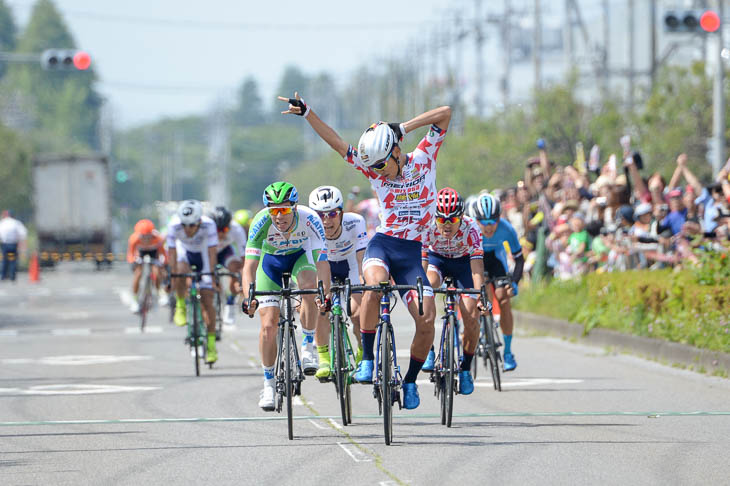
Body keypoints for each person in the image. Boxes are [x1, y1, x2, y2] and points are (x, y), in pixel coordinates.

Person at [279, 91, 451, 410]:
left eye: (382, 165)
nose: (379, 172)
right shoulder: (373, 169)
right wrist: (308, 114)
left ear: (396, 152)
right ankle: (369, 358)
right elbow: (337, 143)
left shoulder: (424, 157)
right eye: (373, 167)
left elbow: (445, 113)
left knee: (427, 320)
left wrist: (404, 126)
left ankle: (411, 380)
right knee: (373, 285)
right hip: (383, 245)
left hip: (412, 255)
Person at [241, 182, 331, 411]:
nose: (278, 216)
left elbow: (321, 261)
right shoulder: (261, 221)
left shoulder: (310, 218)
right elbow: (249, 267)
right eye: (274, 210)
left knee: (309, 287)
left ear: (294, 207)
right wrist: (248, 297)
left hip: (300, 258)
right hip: (269, 265)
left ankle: (308, 347)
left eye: (284, 210)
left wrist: (324, 292)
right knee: (268, 327)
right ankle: (268, 384)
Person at [420, 188, 485, 395]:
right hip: (437, 260)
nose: (447, 226)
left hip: (464, 264)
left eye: (453, 221)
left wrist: (480, 294)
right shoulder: (427, 225)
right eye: (442, 221)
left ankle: (465, 369)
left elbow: (476, 268)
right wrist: (421, 292)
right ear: (435, 218)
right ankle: (428, 350)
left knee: (471, 316)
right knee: (427, 287)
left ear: (461, 218)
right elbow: (421, 266)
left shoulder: (472, 228)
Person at [308, 185, 368, 380]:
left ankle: (362, 351)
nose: (326, 220)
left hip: (350, 264)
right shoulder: (309, 228)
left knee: (358, 313)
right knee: (321, 308)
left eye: (332, 213)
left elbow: (361, 259)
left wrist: (363, 281)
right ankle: (324, 359)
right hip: (324, 265)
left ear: (341, 212)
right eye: (320, 214)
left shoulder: (355, 221)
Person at [468, 194, 524, 372]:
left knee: (504, 298)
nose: (489, 226)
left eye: (494, 220)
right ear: (476, 220)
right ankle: (483, 328)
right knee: (482, 295)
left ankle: (508, 352)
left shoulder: (507, 229)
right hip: (477, 260)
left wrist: (514, 282)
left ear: (500, 217)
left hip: (496, 260)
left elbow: (519, 259)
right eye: (484, 222)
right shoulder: (469, 229)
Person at [167, 200, 220, 364]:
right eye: (185, 225)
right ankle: (181, 305)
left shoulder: (209, 225)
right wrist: (173, 276)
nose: (188, 229)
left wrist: (211, 276)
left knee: (207, 300)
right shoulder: (174, 225)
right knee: (180, 272)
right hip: (185, 253)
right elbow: (172, 254)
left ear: (199, 221)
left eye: (192, 226)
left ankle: (211, 345)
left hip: (204, 254)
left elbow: (212, 253)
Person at [209, 206, 247, 324]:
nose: (220, 233)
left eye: (224, 230)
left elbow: (244, 257)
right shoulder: (207, 228)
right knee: (208, 275)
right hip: (209, 252)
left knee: (236, 267)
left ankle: (230, 303)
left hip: (225, 251)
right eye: (217, 230)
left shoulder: (236, 229)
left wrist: (241, 278)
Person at [126, 219, 168, 312]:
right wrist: (133, 262)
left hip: (154, 253)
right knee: (138, 273)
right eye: (143, 237)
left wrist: (163, 264)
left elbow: (163, 254)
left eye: (148, 237)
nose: (146, 240)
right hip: (141, 253)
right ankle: (135, 299)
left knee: (156, 272)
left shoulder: (158, 239)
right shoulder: (134, 239)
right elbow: (130, 254)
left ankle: (158, 292)